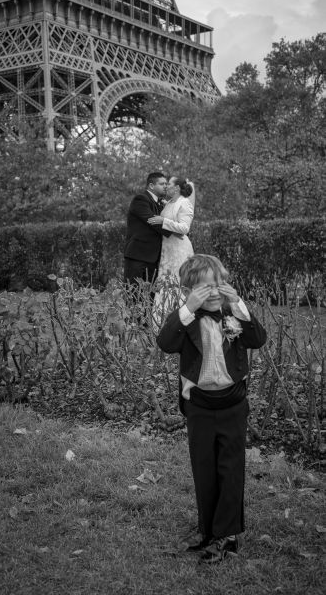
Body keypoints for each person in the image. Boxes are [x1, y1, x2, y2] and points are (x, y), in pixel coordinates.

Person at [156, 254, 267, 564]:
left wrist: (240, 305)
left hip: (232, 404)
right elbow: (165, 342)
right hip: (200, 407)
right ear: (188, 291)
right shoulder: (186, 317)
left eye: (218, 283)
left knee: (230, 470)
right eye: (205, 287)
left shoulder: (234, 313)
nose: (214, 291)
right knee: (204, 468)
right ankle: (207, 529)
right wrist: (189, 308)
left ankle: (226, 536)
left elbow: (258, 338)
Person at [148, 176, 195, 325]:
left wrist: (164, 221)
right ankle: (161, 322)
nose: (166, 186)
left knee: (178, 282)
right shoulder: (168, 203)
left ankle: (182, 320)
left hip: (180, 249)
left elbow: (185, 228)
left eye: (169, 184)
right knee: (164, 281)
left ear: (177, 188)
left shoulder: (185, 203)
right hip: (167, 249)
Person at [123, 172, 172, 292]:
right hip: (138, 256)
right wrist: (177, 231)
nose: (166, 186)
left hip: (153, 258)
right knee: (134, 294)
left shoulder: (161, 203)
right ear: (151, 185)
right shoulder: (141, 199)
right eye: (162, 184)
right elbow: (153, 221)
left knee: (150, 297)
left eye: (166, 183)